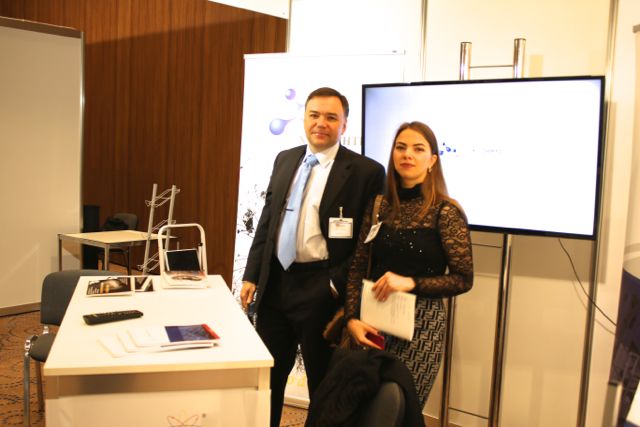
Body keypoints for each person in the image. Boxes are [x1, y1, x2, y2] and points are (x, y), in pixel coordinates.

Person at [240, 87, 385, 427]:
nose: (321, 123)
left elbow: (367, 243)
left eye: (331, 117)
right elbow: (267, 221)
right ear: (304, 118)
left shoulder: (365, 171)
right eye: (314, 115)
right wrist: (252, 274)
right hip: (276, 285)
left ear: (344, 125)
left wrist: (334, 286)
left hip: (321, 289)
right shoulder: (285, 159)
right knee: (268, 380)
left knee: (323, 385)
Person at [345, 121, 474, 406]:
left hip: (421, 327)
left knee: (400, 408)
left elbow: (463, 279)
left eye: (418, 149)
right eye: (401, 147)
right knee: (365, 408)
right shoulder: (378, 205)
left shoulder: (446, 211)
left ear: (432, 160)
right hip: (373, 321)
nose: (408, 155)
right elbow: (357, 267)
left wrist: (410, 283)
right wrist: (352, 318)